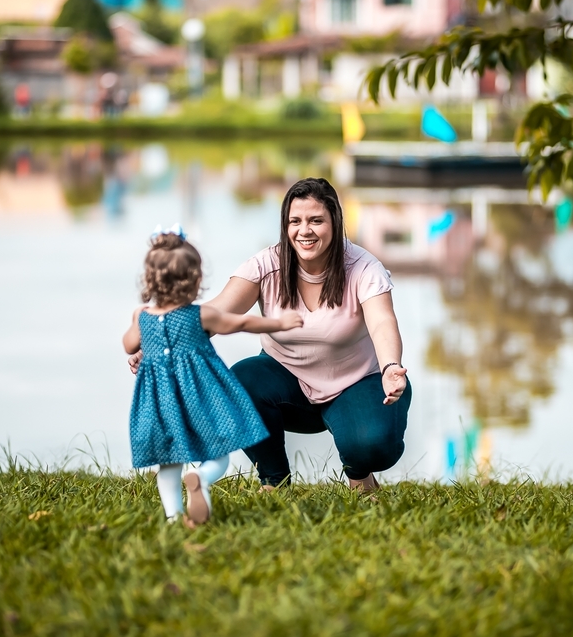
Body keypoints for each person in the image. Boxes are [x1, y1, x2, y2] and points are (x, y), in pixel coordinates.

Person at [133, 178, 411, 492]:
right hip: (286, 382)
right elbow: (215, 314)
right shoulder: (266, 264)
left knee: (373, 445)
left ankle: (360, 478)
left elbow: (382, 322)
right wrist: (160, 343)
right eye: (295, 221)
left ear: (335, 221)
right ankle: (274, 481)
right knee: (238, 382)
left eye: (316, 220)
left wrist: (390, 368)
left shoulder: (363, 267)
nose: (304, 230)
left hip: (356, 383)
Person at [123, 226, 303, 526]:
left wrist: (138, 325)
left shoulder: (142, 317)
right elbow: (242, 322)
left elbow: (129, 344)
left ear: (150, 280)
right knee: (217, 454)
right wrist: (280, 323)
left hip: (159, 403)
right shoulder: (200, 315)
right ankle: (202, 478)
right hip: (198, 397)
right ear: (195, 280)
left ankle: (172, 518)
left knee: (168, 463)